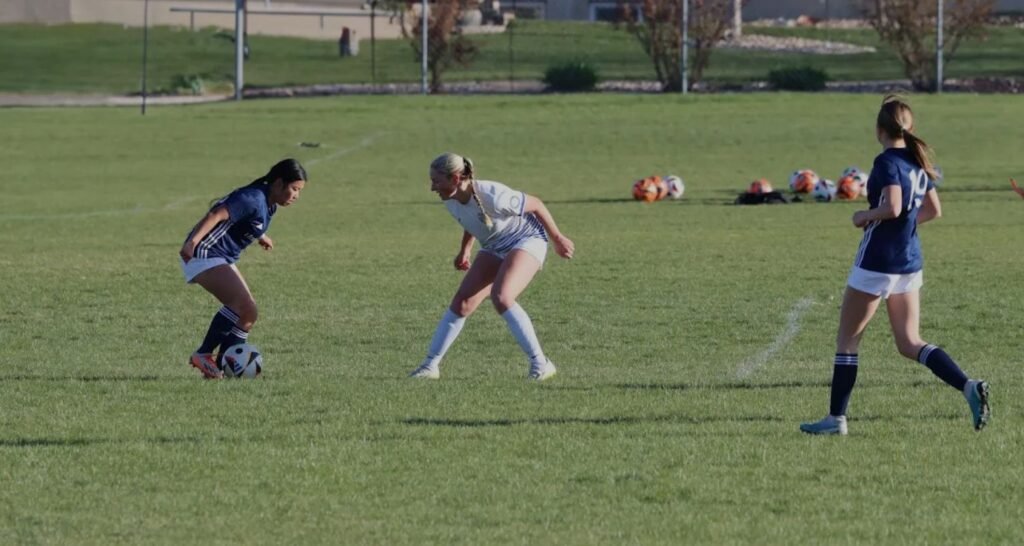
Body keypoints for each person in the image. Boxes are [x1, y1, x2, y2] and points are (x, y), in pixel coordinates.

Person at [801, 95, 990, 435]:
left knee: (847, 342)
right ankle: (968, 386)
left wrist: (864, 216)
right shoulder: (917, 160)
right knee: (909, 343)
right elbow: (933, 210)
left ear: (879, 129)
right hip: (908, 261)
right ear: (909, 128)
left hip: (876, 262)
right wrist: (903, 228)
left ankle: (835, 420)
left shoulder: (887, 161)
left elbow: (894, 207)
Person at [408, 153, 575, 381]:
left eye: (437, 181)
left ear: (456, 178)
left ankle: (541, 364)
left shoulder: (494, 197)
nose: (432, 188)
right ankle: (430, 367)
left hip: (526, 239)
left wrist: (558, 238)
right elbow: (473, 220)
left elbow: (535, 204)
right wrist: (465, 249)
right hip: (494, 244)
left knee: (502, 297)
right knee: (462, 303)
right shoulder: (450, 196)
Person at [179, 159, 307, 379]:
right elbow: (217, 214)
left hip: (221, 256)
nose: (296, 195)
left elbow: (248, 221)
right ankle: (203, 354)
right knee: (240, 304)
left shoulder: (268, 203)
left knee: (249, 313)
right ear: (278, 183)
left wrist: (261, 236)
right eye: (294, 189)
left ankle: (223, 367)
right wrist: (192, 243)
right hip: (204, 253)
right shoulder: (253, 198)